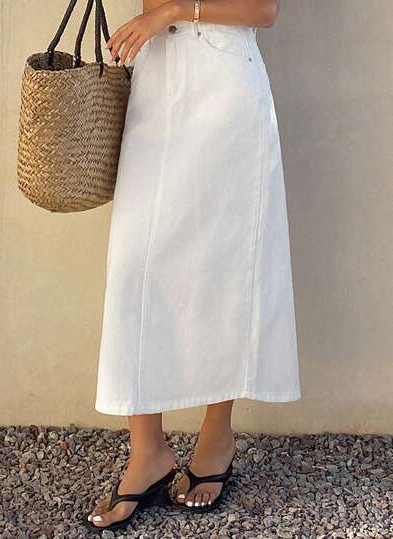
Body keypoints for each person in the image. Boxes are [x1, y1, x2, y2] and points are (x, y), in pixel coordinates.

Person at [85, 0, 301, 532]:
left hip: (226, 90)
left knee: (224, 266)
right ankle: (148, 452)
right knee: (137, 272)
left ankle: (216, 436)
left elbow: (264, 10)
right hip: (156, 83)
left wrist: (176, 10)